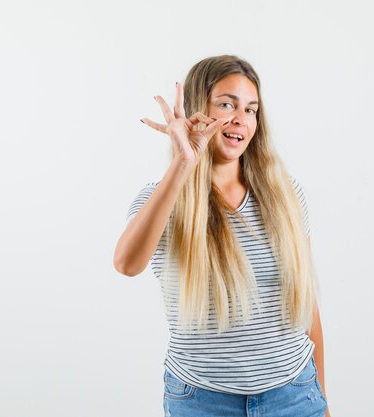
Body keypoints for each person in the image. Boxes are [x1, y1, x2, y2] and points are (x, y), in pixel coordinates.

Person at [113, 55, 331, 417]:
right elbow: (126, 263)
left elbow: (307, 308)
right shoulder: (163, 199)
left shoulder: (287, 195)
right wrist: (183, 163)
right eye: (226, 104)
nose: (239, 120)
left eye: (250, 109)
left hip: (295, 396)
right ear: (199, 111)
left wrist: (321, 400)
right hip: (203, 403)